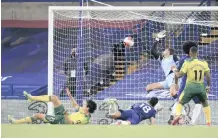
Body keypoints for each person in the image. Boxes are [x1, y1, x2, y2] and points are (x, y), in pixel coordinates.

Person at [171, 46, 211, 126]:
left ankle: (178, 116)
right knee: (205, 103)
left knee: (180, 102)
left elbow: (179, 75)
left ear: (190, 53)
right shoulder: (204, 62)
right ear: (197, 53)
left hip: (190, 87)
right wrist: (208, 86)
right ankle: (208, 122)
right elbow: (208, 76)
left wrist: (174, 70)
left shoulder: (187, 62)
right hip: (200, 87)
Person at [8, 89, 97, 124]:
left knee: (38, 116)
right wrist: (70, 96)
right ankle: (31, 98)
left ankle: (16, 122)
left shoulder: (85, 119)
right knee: (54, 98)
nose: (84, 105)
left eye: (85, 104)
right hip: (63, 116)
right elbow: (75, 105)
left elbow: (70, 123)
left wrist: (65, 113)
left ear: (88, 108)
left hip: (63, 122)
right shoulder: (83, 110)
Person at [146, 30, 179, 101]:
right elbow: (153, 51)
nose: (163, 51)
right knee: (148, 87)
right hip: (168, 79)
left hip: (173, 77)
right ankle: (156, 104)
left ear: (169, 52)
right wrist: (157, 39)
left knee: (173, 93)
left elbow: (179, 64)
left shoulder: (173, 56)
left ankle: (179, 106)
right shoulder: (161, 58)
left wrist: (175, 70)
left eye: (165, 50)